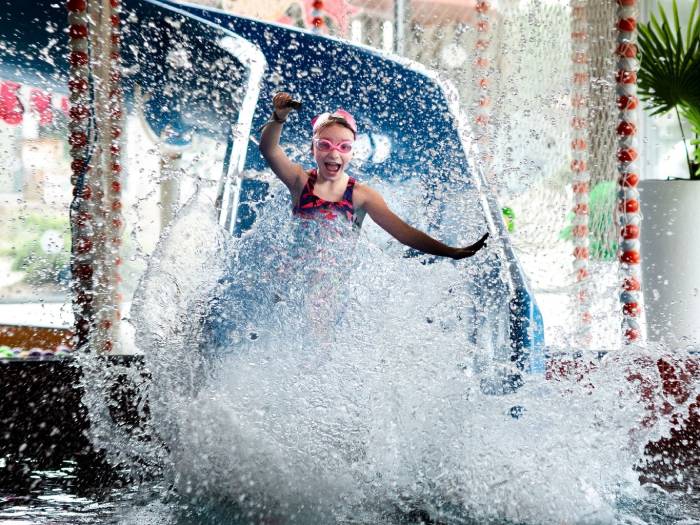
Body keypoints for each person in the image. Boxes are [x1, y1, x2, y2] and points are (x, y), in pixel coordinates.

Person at [258, 92, 489, 259]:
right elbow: (269, 150)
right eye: (325, 145)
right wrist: (278, 118)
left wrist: (450, 252)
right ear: (313, 149)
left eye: (344, 147)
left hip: (329, 290)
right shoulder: (300, 181)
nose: (334, 154)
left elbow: (404, 233)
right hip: (291, 278)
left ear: (352, 152)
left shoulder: (361, 196)